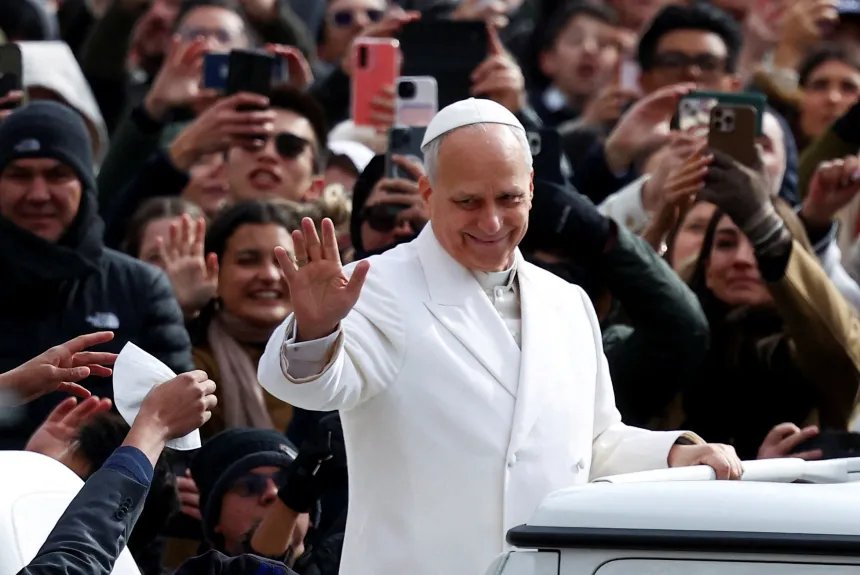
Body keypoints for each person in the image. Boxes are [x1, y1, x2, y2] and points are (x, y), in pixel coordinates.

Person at [257, 97, 743, 575]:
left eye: (508, 199)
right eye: (468, 202)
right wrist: (317, 328)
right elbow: (308, 386)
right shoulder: (377, 285)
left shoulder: (566, 301)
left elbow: (591, 445)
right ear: (427, 194)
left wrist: (677, 452)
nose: (491, 222)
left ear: (531, 188)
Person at [0, 100, 194, 449]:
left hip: (116, 496)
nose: (39, 194)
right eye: (19, 175)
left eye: (58, 174)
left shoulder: (139, 287)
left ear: (85, 183)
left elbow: (177, 423)